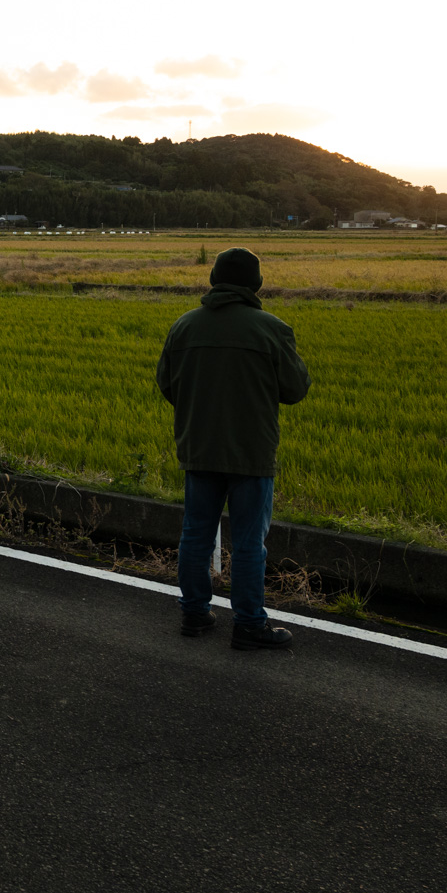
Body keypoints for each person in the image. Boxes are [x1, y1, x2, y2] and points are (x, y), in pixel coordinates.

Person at [156, 247, 311, 650]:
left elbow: (167, 385)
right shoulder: (271, 328)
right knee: (247, 543)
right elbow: (295, 390)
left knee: (196, 535)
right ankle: (248, 625)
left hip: (199, 446)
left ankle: (194, 613)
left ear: (213, 279)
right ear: (256, 284)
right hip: (251, 451)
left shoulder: (184, 326)